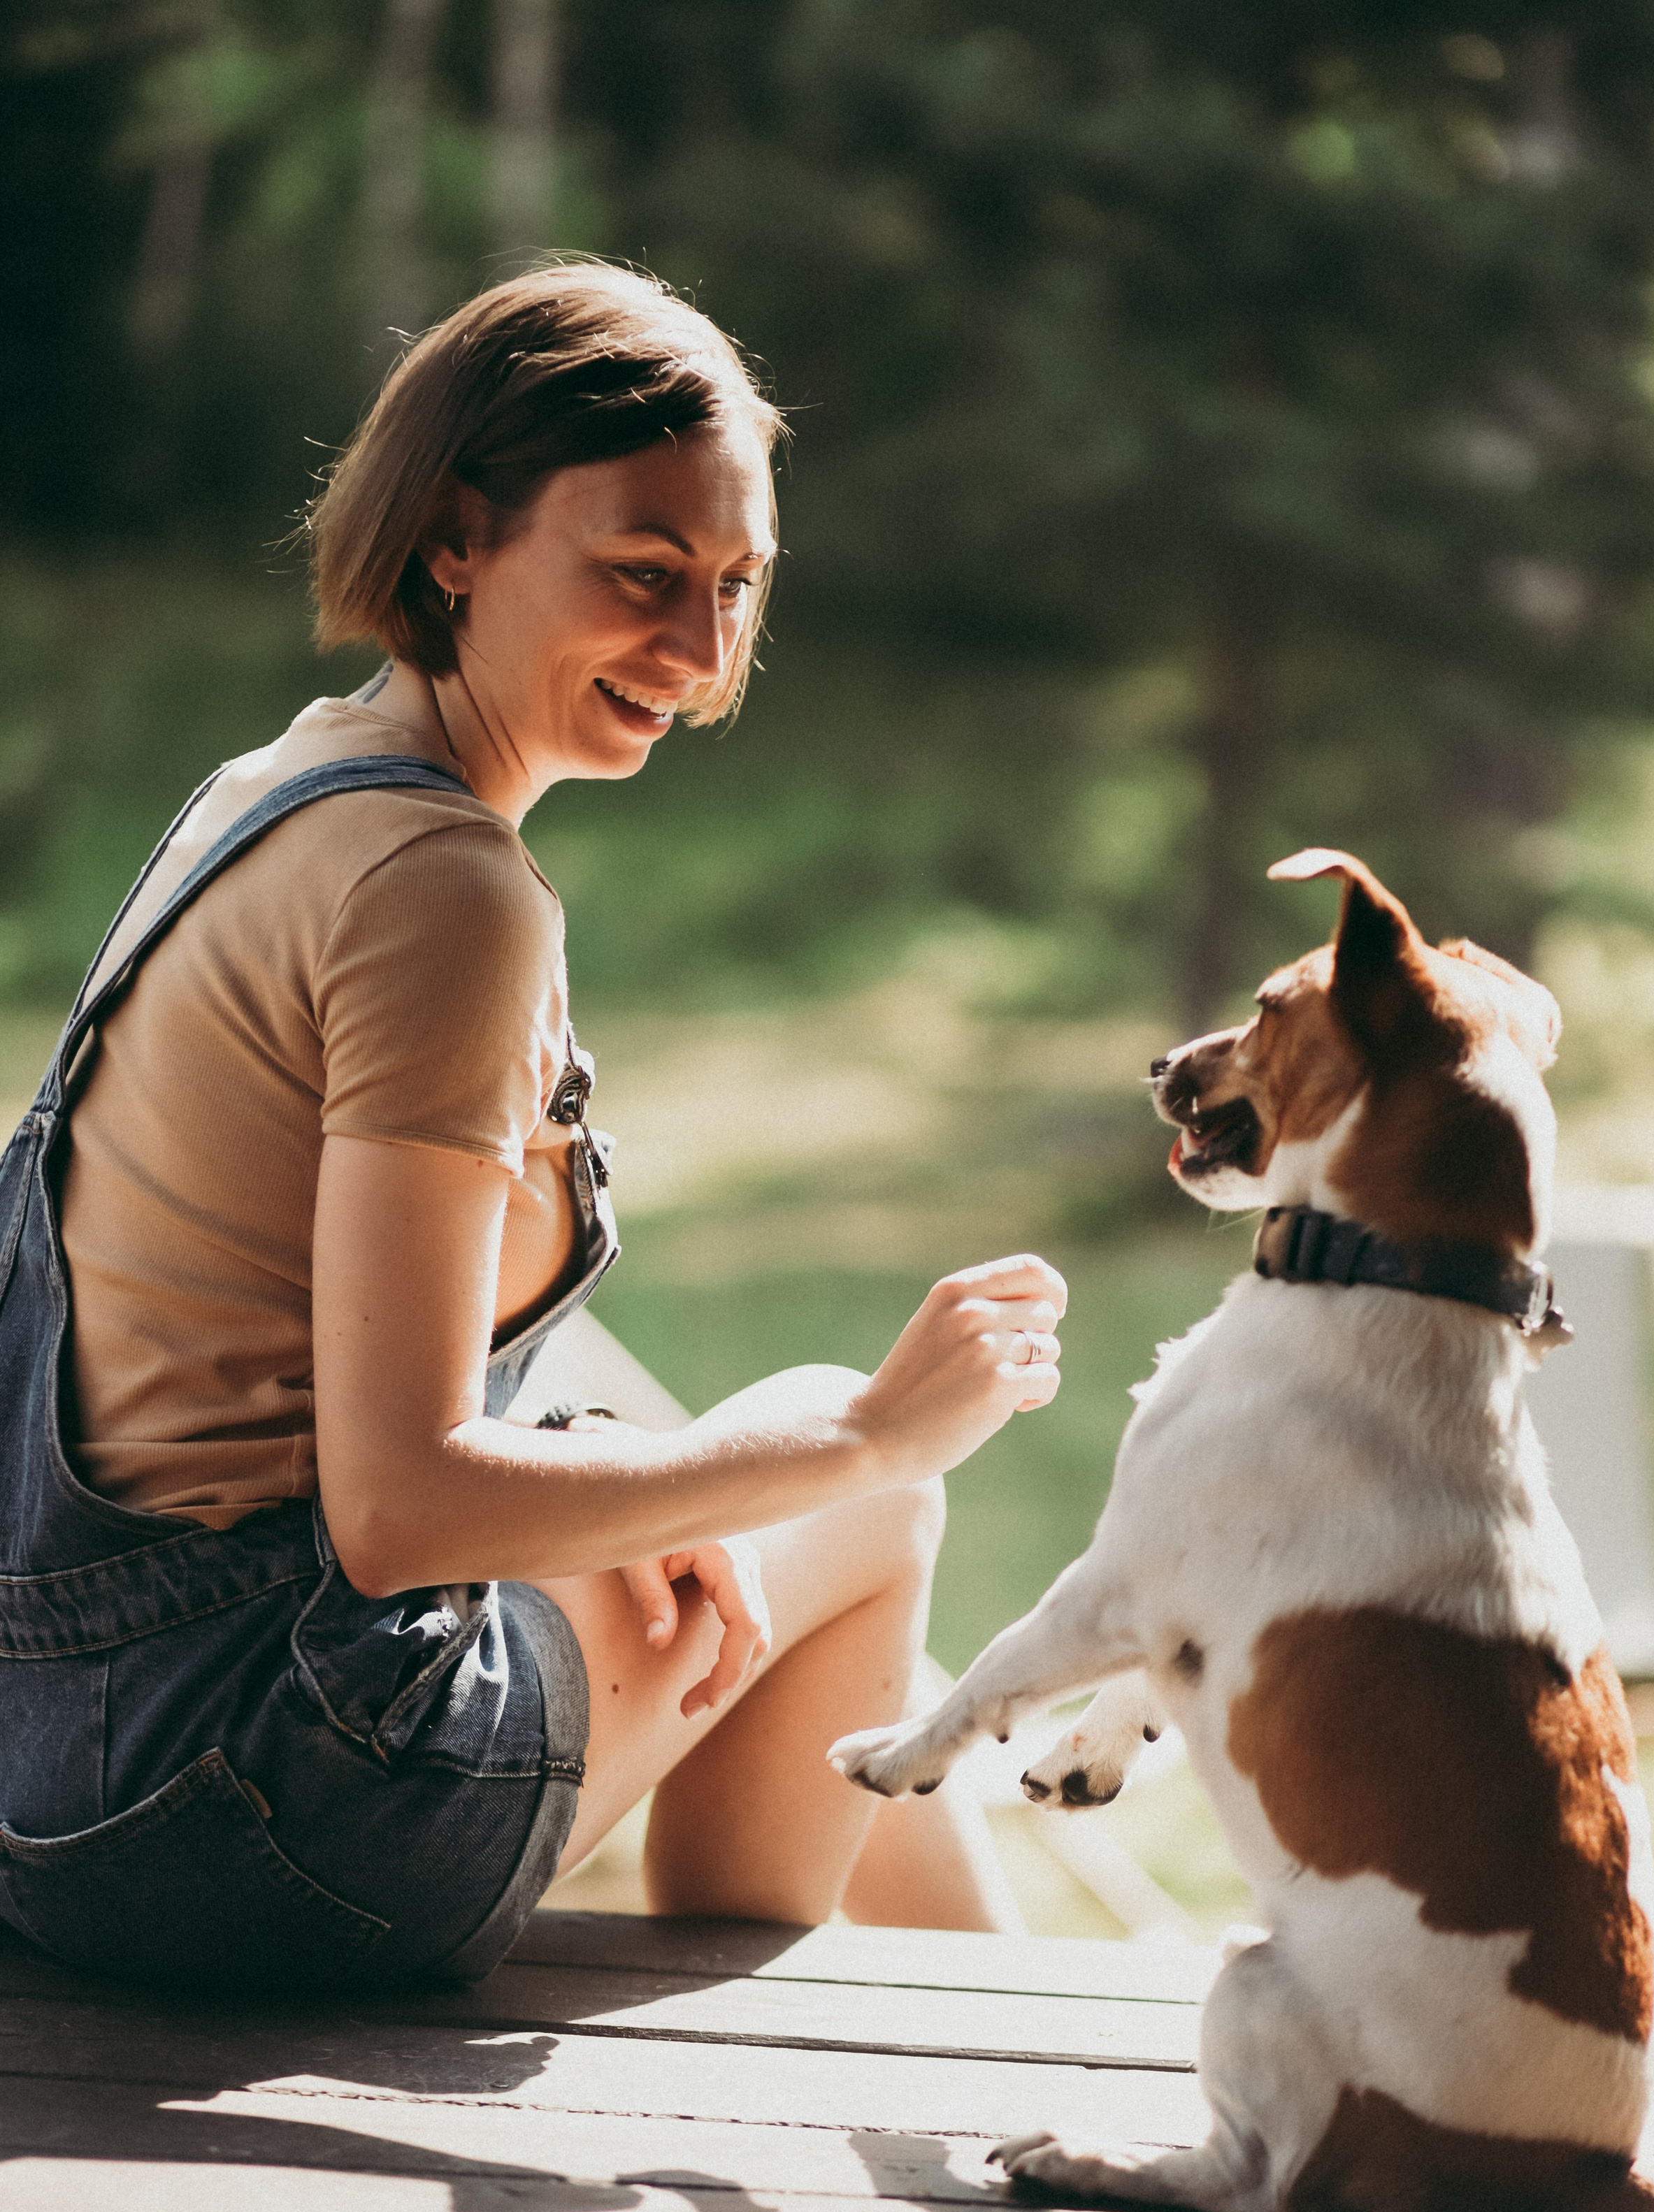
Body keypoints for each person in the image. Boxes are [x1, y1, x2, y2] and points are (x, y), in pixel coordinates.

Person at [0, 261, 1063, 1993]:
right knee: (851, 1485)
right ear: (455, 543)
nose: (706, 653)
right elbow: (400, 1509)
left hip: (54, 1767)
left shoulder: (271, 794)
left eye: (738, 586)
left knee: (744, 1544)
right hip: (258, 1807)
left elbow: (367, 1341)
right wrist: (872, 1438)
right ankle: (1001, 2051)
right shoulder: (443, 895)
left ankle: (980, 2035)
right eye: (644, 576)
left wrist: (637, 1488)